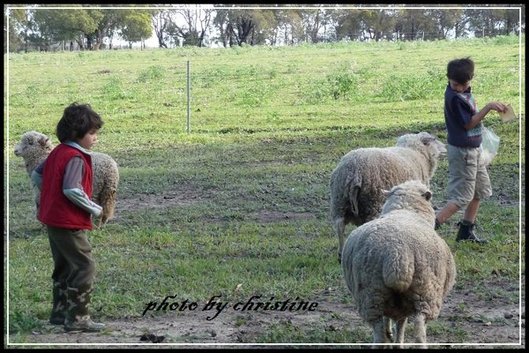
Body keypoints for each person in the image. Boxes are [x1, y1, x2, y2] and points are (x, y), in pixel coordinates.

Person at [31, 102, 106, 332]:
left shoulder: (58, 152)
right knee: (84, 266)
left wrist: (49, 194)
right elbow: (72, 190)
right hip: (68, 221)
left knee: (64, 266)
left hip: (52, 219)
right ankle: (78, 319)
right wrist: (95, 208)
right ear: (78, 133)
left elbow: (36, 175)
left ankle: (60, 314)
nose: (96, 138)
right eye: (92, 133)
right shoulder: (75, 157)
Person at [434, 57, 506, 243]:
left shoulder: (463, 93)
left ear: (470, 79)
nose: (459, 88)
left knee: (478, 192)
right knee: (461, 197)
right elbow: (469, 124)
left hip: (473, 150)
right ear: (448, 78)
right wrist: (489, 107)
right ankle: (428, 225)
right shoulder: (455, 98)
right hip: (463, 153)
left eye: (463, 84)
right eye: (456, 84)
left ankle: (466, 232)